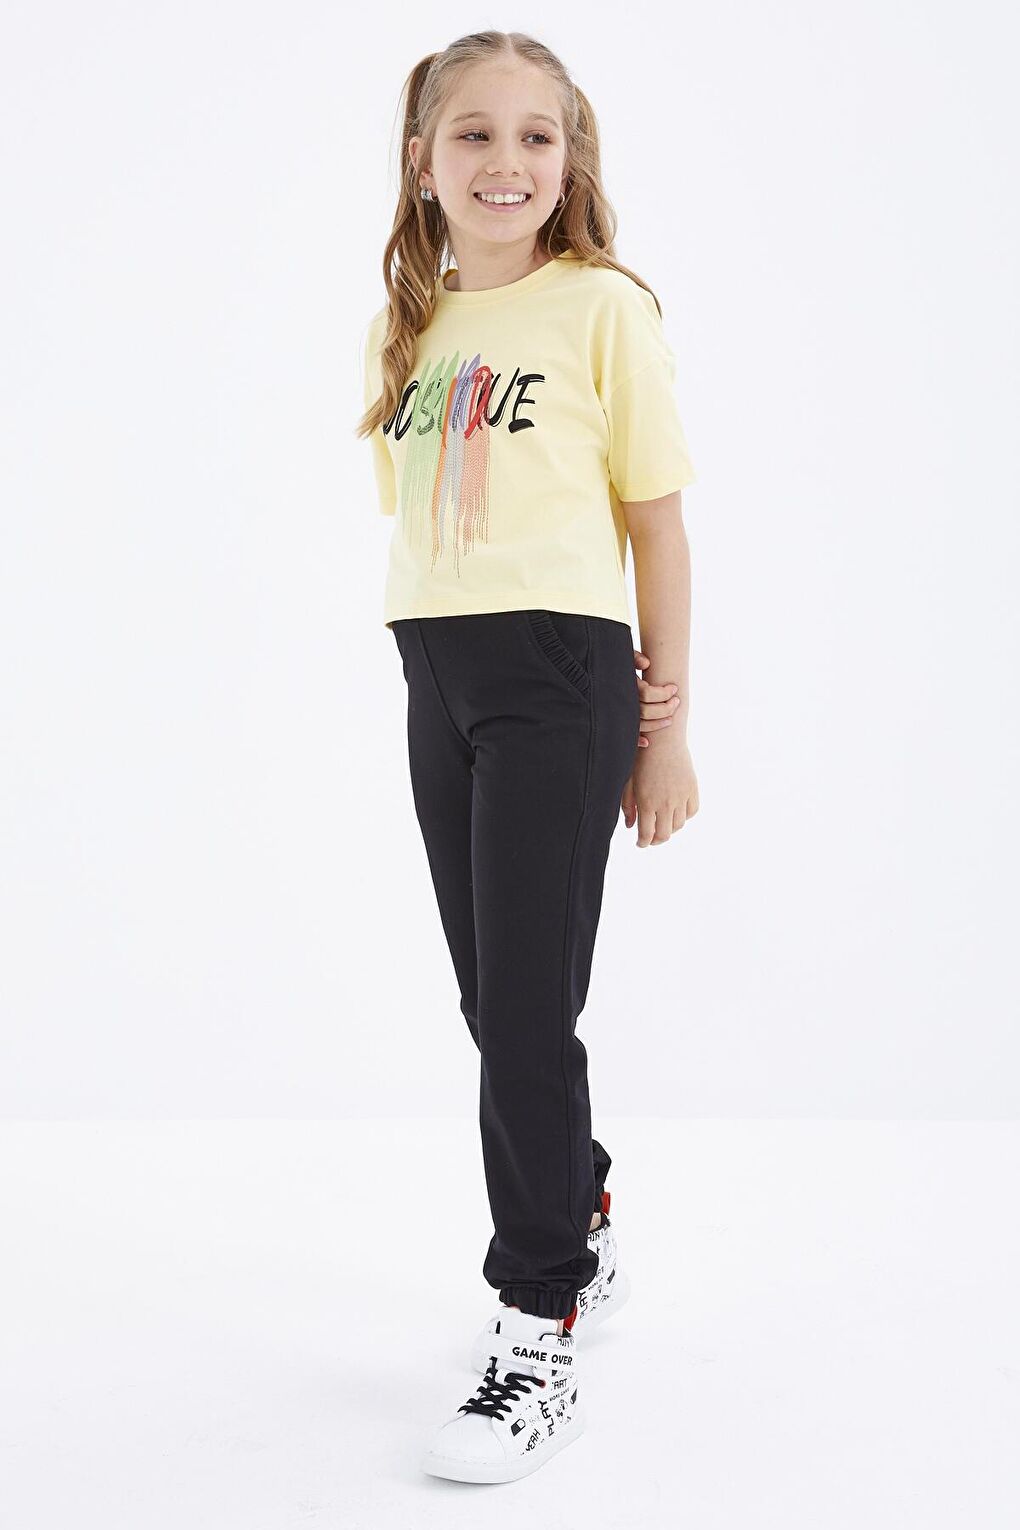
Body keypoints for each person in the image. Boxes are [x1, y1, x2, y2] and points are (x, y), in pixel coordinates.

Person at [356, 30, 700, 1485]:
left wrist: (664, 730)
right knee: (495, 1000)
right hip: (436, 671)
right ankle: (585, 1205)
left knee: (523, 1012)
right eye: (475, 135)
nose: (508, 162)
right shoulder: (412, 328)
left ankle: (538, 1307)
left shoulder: (603, 308)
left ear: (572, 160)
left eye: (537, 137)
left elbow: (656, 525)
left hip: (561, 676)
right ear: (424, 163)